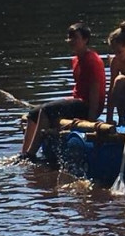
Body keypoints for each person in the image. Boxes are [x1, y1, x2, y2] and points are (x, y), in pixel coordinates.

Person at [20, 22, 106, 161]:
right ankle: (23, 154)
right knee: (33, 114)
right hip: (77, 101)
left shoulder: (92, 60)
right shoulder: (75, 60)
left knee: (46, 111)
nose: (71, 41)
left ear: (85, 40)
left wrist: (90, 119)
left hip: (87, 105)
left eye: (75, 38)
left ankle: (30, 154)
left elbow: (95, 91)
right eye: (69, 37)